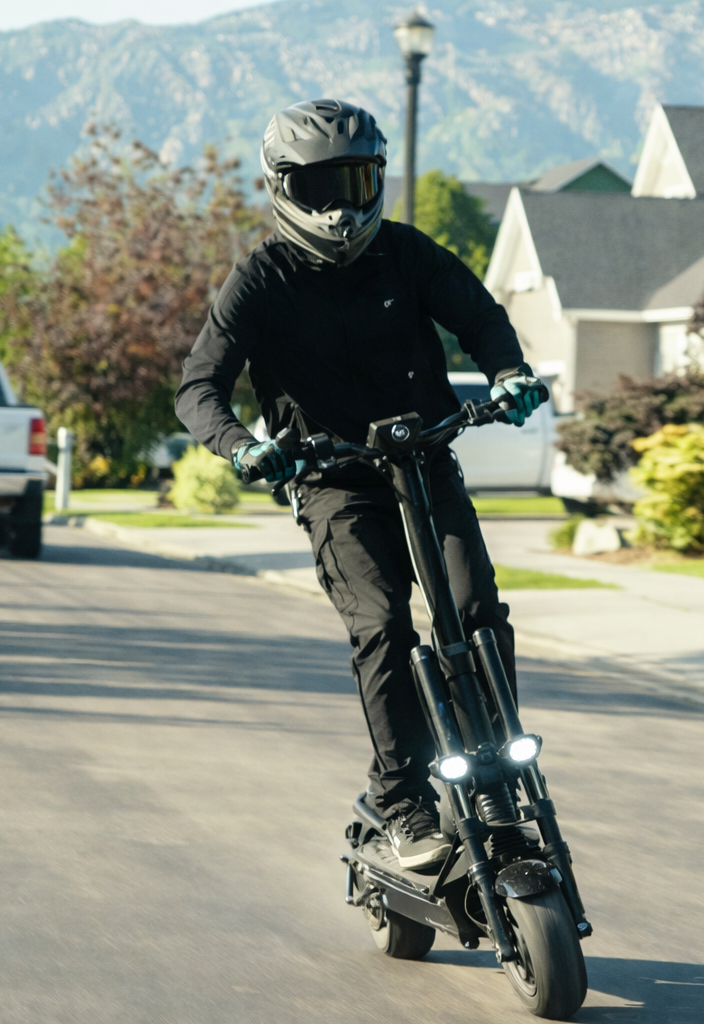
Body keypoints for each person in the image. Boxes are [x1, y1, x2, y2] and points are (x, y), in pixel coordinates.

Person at [176, 98, 545, 869]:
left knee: (474, 611)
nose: (341, 207)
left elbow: (480, 318)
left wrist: (509, 374)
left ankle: (493, 779)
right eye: (319, 188)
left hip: (424, 461)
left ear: (377, 177)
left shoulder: (408, 255)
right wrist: (244, 448)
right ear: (281, 186)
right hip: (332, 481)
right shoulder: (262, 277)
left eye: (355, 182)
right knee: (383, 625)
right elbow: (199, 388)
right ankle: (402, 798)